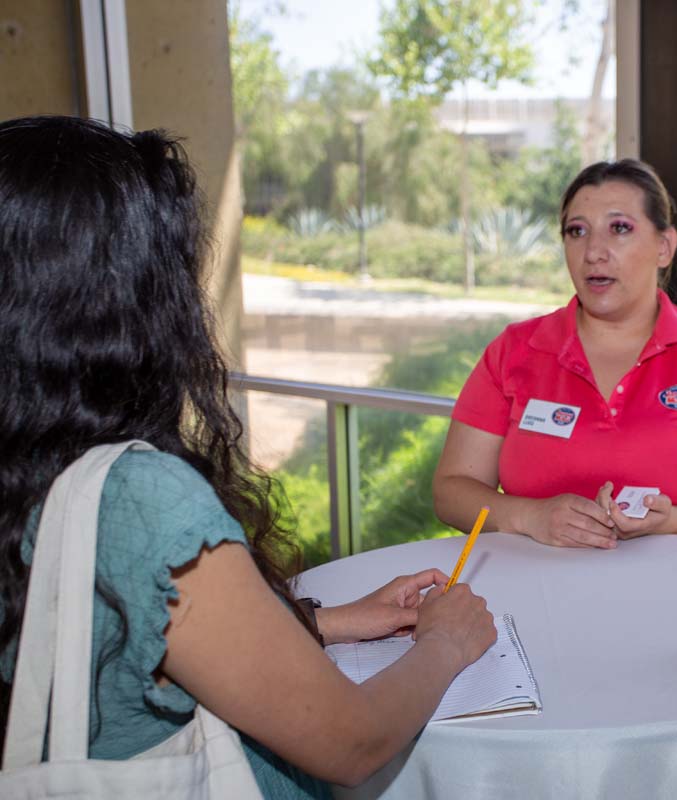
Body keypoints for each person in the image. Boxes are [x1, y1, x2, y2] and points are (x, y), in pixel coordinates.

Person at [0, 116, 497, 799]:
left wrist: (330, 622)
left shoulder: (31, 462)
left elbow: (132, 645)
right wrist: (447, 641)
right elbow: (351, 741)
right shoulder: (138, 498)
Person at [433, 159, 677, 548]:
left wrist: (670, 522)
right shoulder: (514, 351)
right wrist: (530, 516)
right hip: (534, 590)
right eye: (577, 231)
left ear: (664, 247)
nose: (593, 251)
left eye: (619, 228)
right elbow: (451, 492)